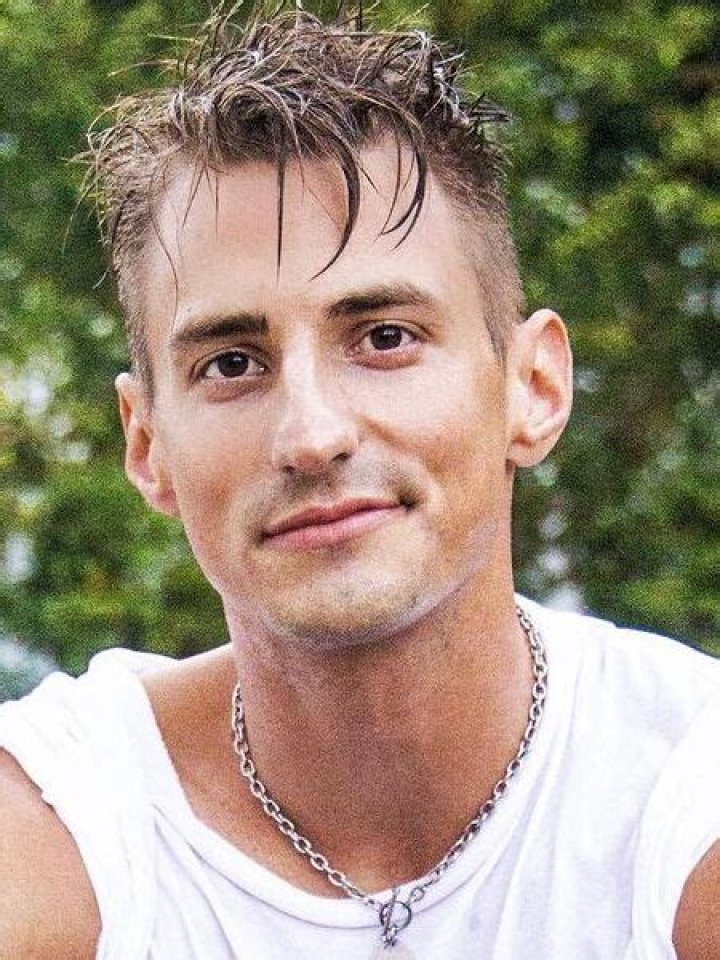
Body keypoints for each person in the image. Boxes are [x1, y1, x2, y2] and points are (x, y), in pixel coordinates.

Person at [0, 7, 718, 959]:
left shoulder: (683, 791)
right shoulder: (61, 820)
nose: (312, 435)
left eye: (385, 338)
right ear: (148, 443)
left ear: (533, 388)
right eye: (231, 363)